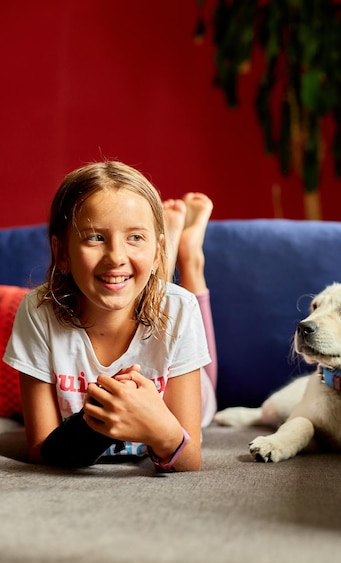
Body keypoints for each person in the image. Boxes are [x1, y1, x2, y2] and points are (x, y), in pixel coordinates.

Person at [3, 160, 217, 471]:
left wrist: (161, 429)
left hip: (186, 380)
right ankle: (159, 256)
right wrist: (108, 410)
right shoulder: (38, 311)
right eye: (95, 237)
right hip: (149, 293)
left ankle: (189, 258)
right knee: (140, 281)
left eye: (134, 237)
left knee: (203, 379)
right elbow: (42, 450)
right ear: (62, 253)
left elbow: (190, 456)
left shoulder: (180, 309)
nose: (115, 256)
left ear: (156, 253)